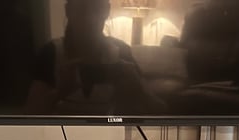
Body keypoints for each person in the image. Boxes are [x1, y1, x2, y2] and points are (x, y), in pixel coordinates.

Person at [24, 0, 164, 115]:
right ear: (68, 11)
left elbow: (160, 110)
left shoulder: (121, 51)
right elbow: (30, 115)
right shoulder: (51, 52)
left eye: (97, 9)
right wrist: (60, 92)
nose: (90, 19)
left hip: (107, 135)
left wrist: (138, 88)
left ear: (107, 11)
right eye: (82, 9)